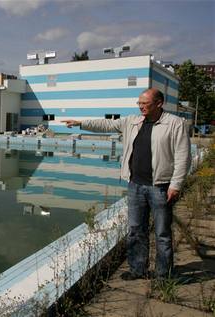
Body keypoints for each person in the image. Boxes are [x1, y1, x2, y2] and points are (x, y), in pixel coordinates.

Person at [62, 88, 191, 280]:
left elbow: (183, 156)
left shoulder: (175, 123)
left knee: (162, 233)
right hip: (135, 185)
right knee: (135, 230)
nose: (140, 107)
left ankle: (164, 275)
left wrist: (176, 185)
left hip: (161, 187)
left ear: (158, 104)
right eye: (139, 103)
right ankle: (138, 269)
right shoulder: (133, 121)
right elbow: (106, 124)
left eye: (144, 103)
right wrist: (81, 123)